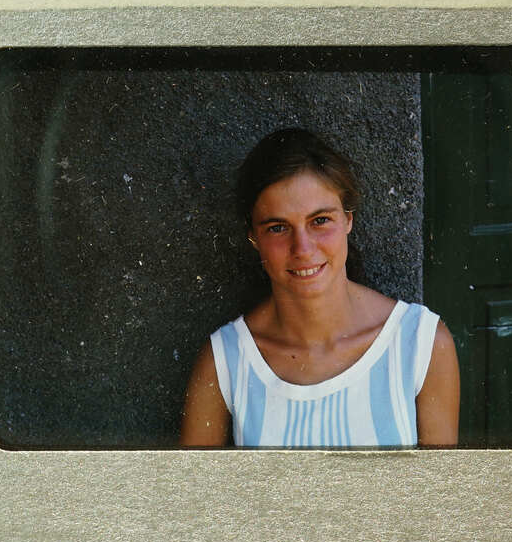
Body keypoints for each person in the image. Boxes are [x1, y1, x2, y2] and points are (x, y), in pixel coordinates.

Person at [180, 128, 459, 448]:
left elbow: (439, 494)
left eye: (320, 220)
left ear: (348, 219)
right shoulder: (224, 362)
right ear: (254, 238)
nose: (303, 248)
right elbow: (194, 496)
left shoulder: (420, 343)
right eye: (278, 227)